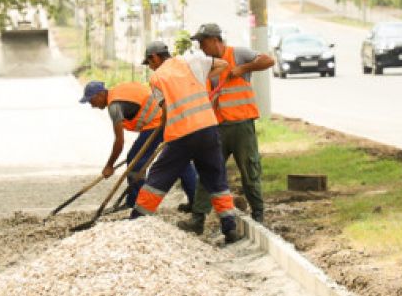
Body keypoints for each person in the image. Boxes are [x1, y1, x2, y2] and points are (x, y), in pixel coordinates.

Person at [131, 40, 242, 245]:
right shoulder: (191, 62)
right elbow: (223, 65)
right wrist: (201, 80)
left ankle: (137, 220)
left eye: (149, 63)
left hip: (181, 135)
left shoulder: (157, 78)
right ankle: (229, 226)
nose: (151, 67)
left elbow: (165, 109)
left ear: (155, 57)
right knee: (216, 179)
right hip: (208, 129)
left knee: (158, 177)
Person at [188, 23, 275, 229]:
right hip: (217, 127)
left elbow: (268, 60)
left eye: (202, 42)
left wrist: (244, 68)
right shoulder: (206, 63)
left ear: (214, 40)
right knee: (208, 170)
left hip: (241, 126)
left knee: (249, 169)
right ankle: (198, 217)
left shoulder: (238, 54)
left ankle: (258, 213)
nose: (201, 47)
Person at [80, 80, 198, 212]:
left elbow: (119, 140)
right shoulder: (119, 90)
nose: (92, 105)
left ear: (100, 94)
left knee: (135, 161)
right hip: (170, 116)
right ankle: (196, 202)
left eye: (91, 101)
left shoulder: (114, 106)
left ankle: (138, 203)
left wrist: (109, 165)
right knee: (179, 160)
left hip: (157, 123)